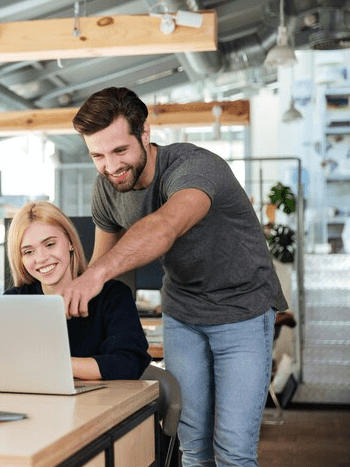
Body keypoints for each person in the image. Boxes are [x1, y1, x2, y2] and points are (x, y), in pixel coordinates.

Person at [65, 87, 288, 466]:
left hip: (243, 312)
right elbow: (105, 267)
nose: (110, 166)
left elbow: (165, 226)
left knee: (233, 448)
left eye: (120, 151)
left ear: (145, 133)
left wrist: (96, 272)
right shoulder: (106, 187)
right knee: (193, 443)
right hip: (184, 314)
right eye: (97, 155)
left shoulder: (195, 167)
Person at [4, 200, 151, 380]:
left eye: (50, 244)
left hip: (102, 403)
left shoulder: (113, 296)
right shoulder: (14, 302)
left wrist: (54, 363)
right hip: (35, 403)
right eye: (28, 252)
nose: (41, 258)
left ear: (70, 242)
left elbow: (128, 363)